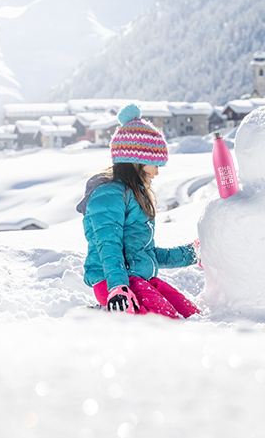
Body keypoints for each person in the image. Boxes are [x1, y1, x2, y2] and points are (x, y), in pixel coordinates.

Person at [76, 103, 200, 318]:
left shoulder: (136, 194)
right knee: (165, 321)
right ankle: (103, 317)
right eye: (155, 165)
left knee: (191, 314)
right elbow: (108, 246)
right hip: (114, 281)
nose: (157, 172)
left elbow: (144, 252)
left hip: (140, 279)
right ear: (138, 160)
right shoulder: (109, 196)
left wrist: (191, 254)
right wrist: (118, 287)